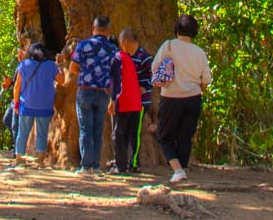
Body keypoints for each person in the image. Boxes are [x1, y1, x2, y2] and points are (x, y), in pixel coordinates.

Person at [153, 14, 212, 184]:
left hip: (170, 97)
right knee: (185, 136)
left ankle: (178, 170)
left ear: (177, 29)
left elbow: (154, 67)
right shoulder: (199, 52)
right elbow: (206, 79)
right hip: (193, 98)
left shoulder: (169, 46)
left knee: (164, 136)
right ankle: (182, 170)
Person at [65, 16, 117, 175]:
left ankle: (86, 167)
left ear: (93, 29)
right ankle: (95, 166)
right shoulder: (112, 49)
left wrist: (86, 72)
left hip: (85, 90)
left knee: (86, 129)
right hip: (102, 93)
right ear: (108, 31)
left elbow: (73, 68)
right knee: (97, 129)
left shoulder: (83, 46)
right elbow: (115, 72)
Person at [108, 28, 151, 174]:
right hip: (131, 99)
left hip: (137, 101)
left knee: (131, 133)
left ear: (125, 42)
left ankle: (131, 163)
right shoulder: (128, 57)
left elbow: (155, 73)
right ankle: (125, 162)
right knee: (125, 133)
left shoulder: (141, 56)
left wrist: (145, 86)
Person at [12, 42, 58, 165]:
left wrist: (16, 102)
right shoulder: (51, 66)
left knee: (23, 132)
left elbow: (17, 86)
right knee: (42, 133)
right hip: (45, 105)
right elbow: (62, 80)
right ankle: (40, 158)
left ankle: (19, 157)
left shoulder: (24, 65)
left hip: (27, 104)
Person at [1, 44, 28, 158]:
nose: (19, 55)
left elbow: (21, 86)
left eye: (21, 53)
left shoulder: (26, 67)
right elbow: (17, 85)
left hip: (20, 100)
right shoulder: (19, 67)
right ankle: (18, 147)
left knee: (15, 125)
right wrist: (10, 83)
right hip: (15, 100)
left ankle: (18, 152)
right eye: (18, 53)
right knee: (7, 120)